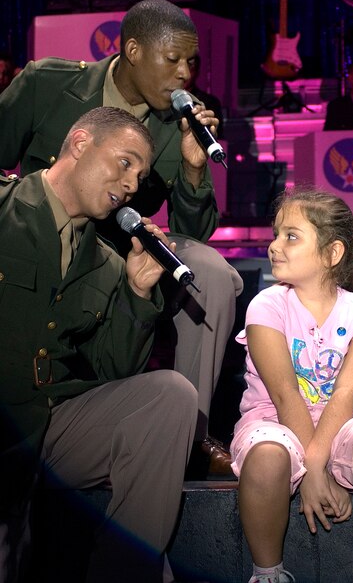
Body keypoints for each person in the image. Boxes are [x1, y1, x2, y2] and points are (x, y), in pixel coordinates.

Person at [0, 0, 243, 476]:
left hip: (123, 243)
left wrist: (194, 171)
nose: (184, 75)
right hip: (41, 235)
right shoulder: (49, 83)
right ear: (133, 49)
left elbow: (196, 233)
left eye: (191, 62)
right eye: (172, 60)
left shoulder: (181, 124)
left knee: (212, 273)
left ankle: (190, 432)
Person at [0, 106, 198, 583]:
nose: (132, 185)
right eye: (125, 163)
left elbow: (112, 370)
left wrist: (137, 291)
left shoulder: (108, 264)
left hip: (48, 426)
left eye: (142, 175)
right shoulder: (5, 207)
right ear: (80, 142)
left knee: (171, 394)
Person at [230, 188, 353, 583]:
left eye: (291, 236)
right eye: (276, 234)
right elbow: (284, 393)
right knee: (267, 456)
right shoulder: (266, 305)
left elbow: (345, 396)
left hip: (341, 424)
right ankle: (267, 573)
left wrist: (317, 464)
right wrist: (315, 471)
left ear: (332, 253)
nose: (275, 245)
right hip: (276, 420)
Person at [185, 54, 225, 138]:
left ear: (197, 72)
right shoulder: (164, 100)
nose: (185, 74)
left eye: (190, 69)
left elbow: (219, 136)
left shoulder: (210, 102)